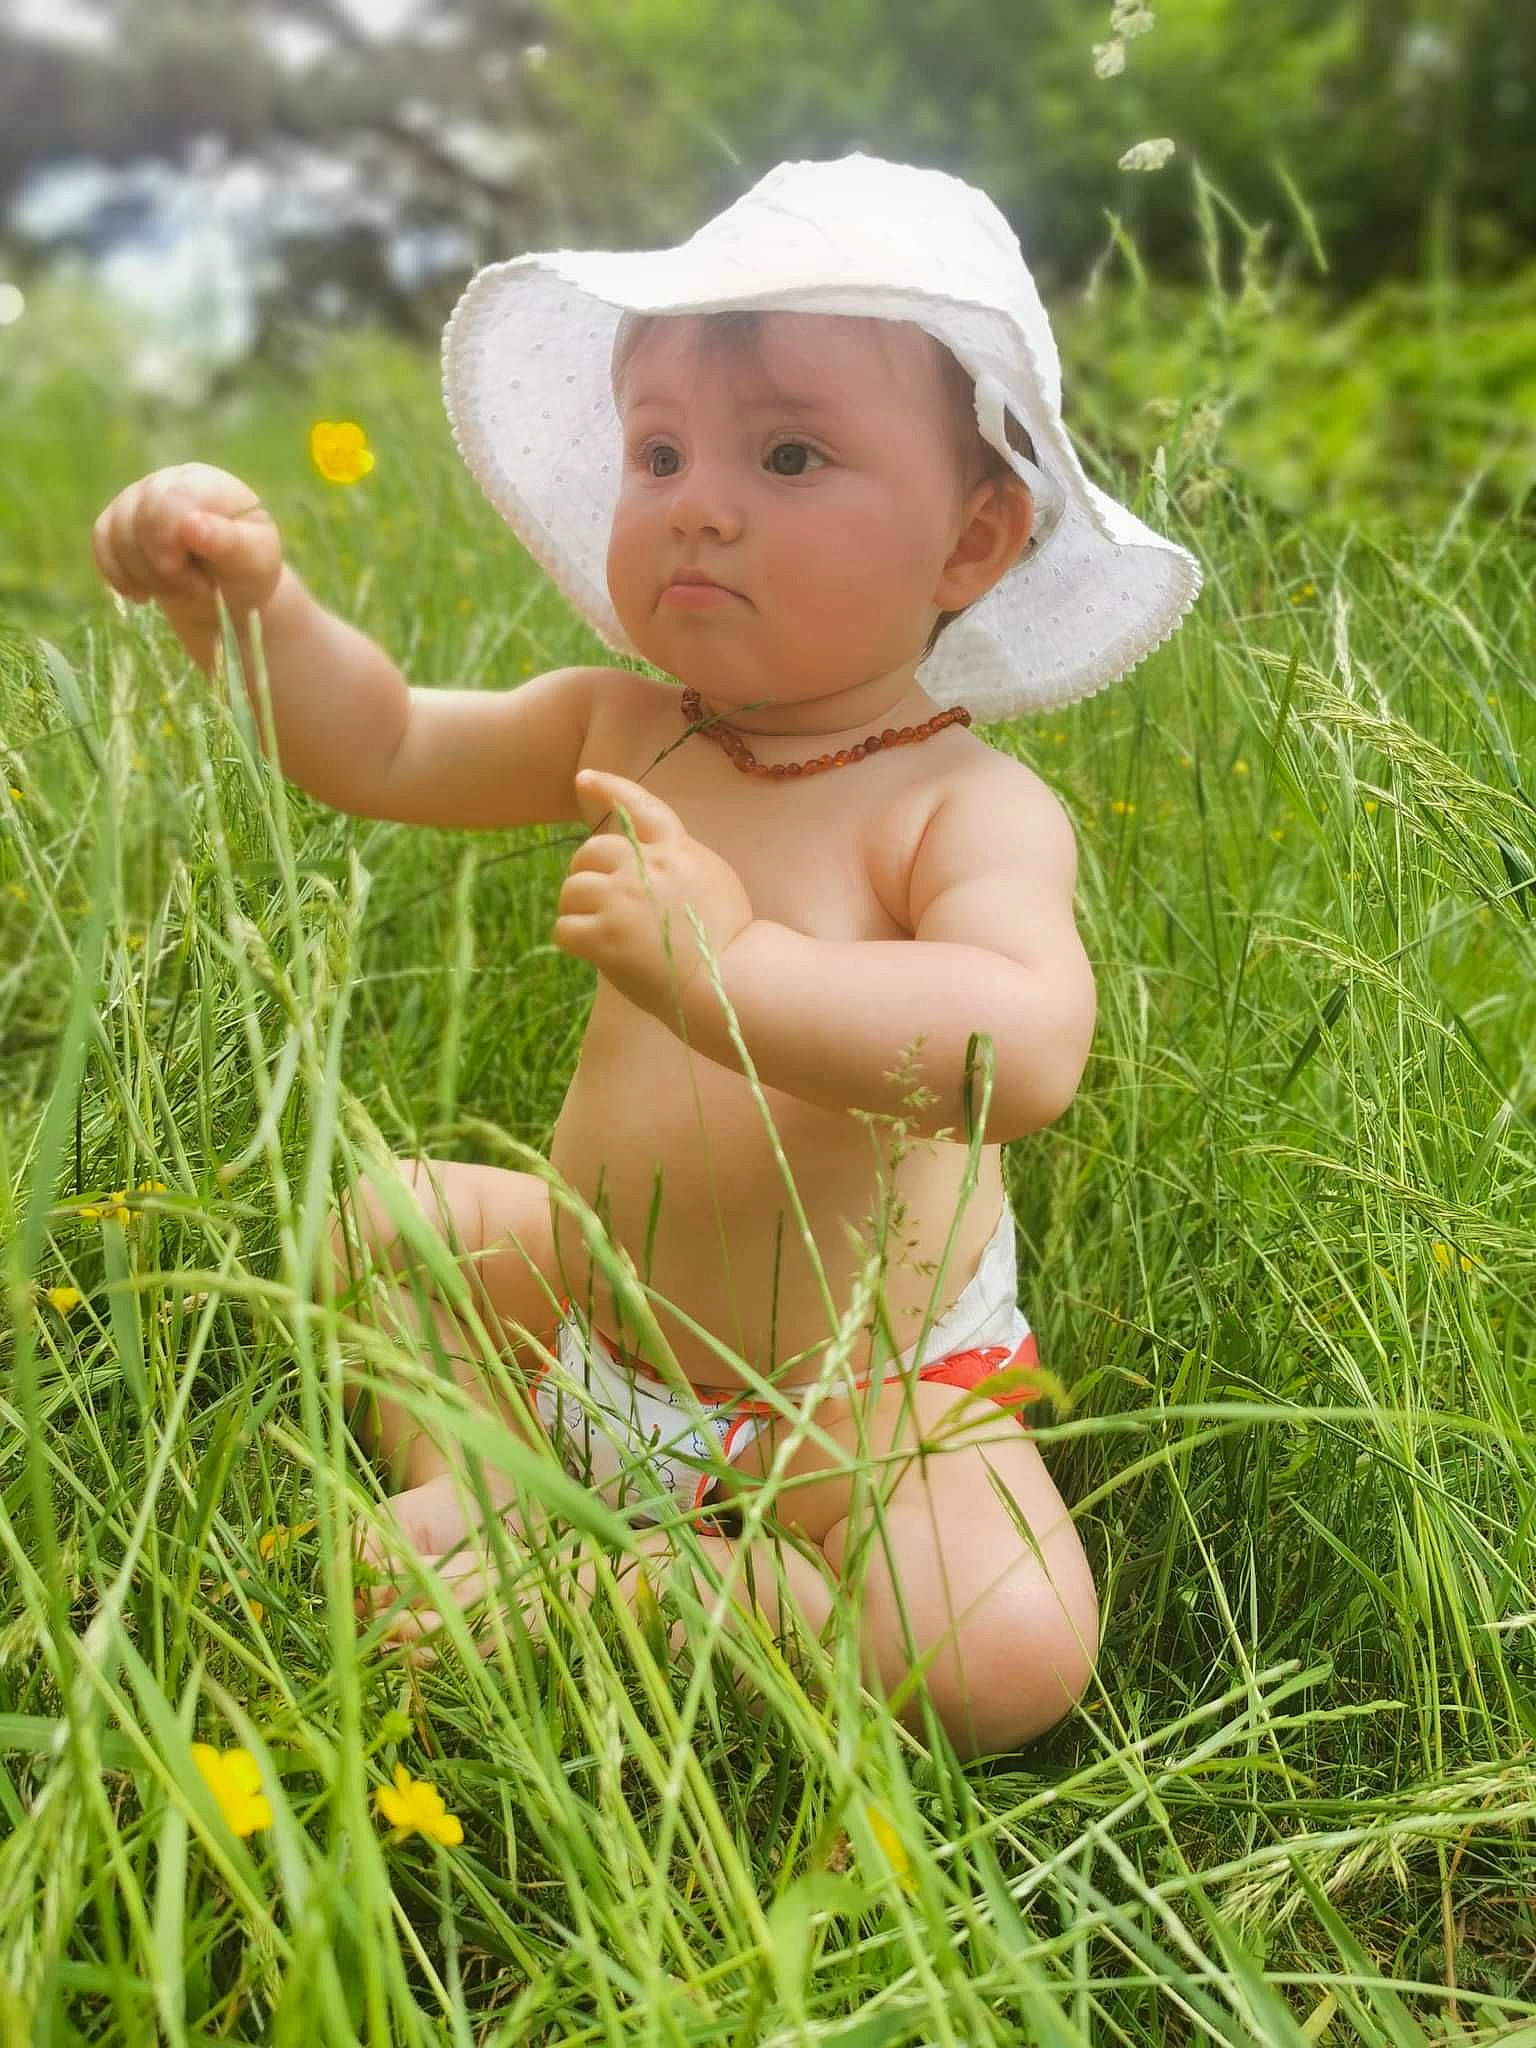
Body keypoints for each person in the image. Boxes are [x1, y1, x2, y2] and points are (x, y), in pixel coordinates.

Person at [90, 153, 1199, 1758]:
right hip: (594, 1317)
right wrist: (254, 611)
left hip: (858, 1395)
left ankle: (683, 1594)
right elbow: (385, 745)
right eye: (659, 450)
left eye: (792, 452)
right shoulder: (623, 725)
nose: (698, 498)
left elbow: (1021, 1051)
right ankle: (476, 1480)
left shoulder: (966, 806)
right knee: (383, 1223)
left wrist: (730, 969)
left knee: (1004, 1653)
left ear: (971, 543)